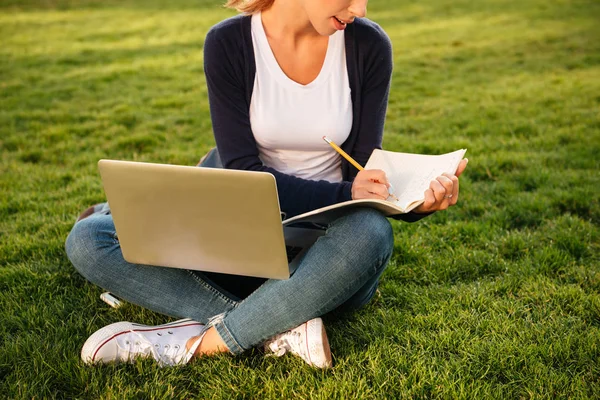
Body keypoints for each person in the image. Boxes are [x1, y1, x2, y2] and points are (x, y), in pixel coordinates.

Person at [66, 0, 468, 369]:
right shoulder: (229, 42)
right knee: (89, 239)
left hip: (327, 256)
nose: (359, 9)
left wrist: (417, 204)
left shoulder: (367, 44)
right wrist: (347, 192)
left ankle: (202, 343)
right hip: (244, 245)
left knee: (371, 233)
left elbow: (363, 172)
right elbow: (243, 169)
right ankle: (280, 325)